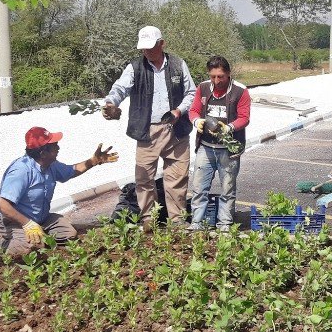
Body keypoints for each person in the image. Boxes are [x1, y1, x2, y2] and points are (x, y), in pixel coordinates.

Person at [101, 26, 196, 225]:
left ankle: (177, 221)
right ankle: (148, 220)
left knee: (177, 177)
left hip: (176, 130)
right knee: (144, 179)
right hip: (147, 131)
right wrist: (111, 103)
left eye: (151, 47)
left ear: (162, 44)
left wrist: (179, 111)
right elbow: (120, 88)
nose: (147, 52)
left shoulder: (178, 65)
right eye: (143, 48)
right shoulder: (135, 68)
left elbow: (191, 93)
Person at [0, 127, 118, 256]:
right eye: (54, 146)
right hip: (13, 221)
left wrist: (93, 161)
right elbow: (1, 204)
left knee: (68, 234)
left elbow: (71, 171)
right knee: (31, 247)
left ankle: (38, 235)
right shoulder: (21, 171)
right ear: (43, 153)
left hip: (40, 218)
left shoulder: (50, 164)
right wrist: (27, 223)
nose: (58, 148)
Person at [187, 56, 251, 231]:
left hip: (228, 150)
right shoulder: (203, 88)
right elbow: (193, 110)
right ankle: (196, 223)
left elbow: (244, 118)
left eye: (220, 76)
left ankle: (224, 224)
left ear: (228, 74)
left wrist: (229, 128)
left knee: (227, 189)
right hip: (206, 148)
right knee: (199, 188)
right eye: (213, 76)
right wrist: (196, 121)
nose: (216, 80)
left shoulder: (240, 91)